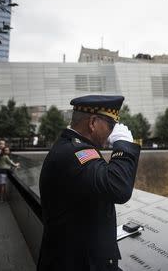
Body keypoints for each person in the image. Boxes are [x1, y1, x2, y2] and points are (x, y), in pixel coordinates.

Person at [38, 95, 141, 271]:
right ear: (93, 122)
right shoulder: (76, 153)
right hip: (77, 263)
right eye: (111, 125)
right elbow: (119, 188)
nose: (112, 132)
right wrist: (123, 144)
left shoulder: (71, 146)